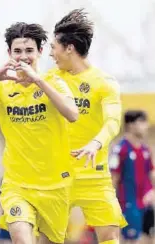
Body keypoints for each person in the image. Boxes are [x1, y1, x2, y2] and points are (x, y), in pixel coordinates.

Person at [0, 22, 78, 244]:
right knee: (21, 238)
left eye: (29, 50)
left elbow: (72, 114)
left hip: (55, 186)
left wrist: (38, 81)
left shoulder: (54, 82)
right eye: (17, 51)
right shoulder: (2, 88)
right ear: (9, 53)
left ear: (40, 52)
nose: (23, 56)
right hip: (17, 185)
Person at [47, 9, 127, 244]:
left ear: (69, 48)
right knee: (50, 238)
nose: (51, 53)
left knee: (110, 235)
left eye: (54, 47)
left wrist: (95, 143)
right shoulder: (51, 79)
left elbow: (113, 120)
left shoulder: (104, 82)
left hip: (94, 174)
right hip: (57, 174)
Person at [110, 110, 155, 244]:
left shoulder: (145, 149)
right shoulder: (120, 149)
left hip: (146, 203)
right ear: (130, 125)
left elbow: (151, 174)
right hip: (128, 204)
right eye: (142, 122)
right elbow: (114, 177)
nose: (146, 126)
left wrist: (152, 191)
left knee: (150, 238)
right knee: (130, 240)